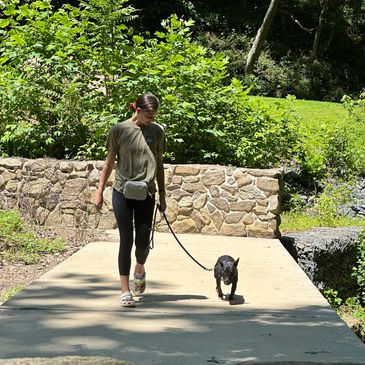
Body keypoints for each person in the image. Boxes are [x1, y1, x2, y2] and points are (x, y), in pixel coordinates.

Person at [94, 93, 166, 308]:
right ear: (138, 110)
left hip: (147, 193)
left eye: (155, 114)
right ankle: (125, 290)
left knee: (143, 241)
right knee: (126, 239)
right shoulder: (120, 130)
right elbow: (108, 164)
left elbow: (160, 164)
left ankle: (140, 269)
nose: (152, 118)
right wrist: (99, 192)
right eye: (149, 114)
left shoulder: (157, 131)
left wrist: (163, 194)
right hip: (122, 192)